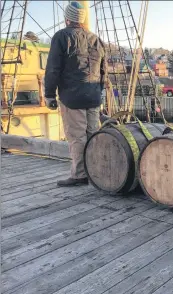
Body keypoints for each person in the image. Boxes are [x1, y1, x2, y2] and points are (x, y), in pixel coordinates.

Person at [44, 1, 106, 187]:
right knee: (93, 134)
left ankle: (80, 175)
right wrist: (97, 91)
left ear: (67, 18)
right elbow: (104, 71)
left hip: (72, 98)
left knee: (77, 137)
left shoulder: (62, 37)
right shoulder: (96, 39)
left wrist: (49, 95)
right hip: (93, 96)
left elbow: (53, 69)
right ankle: (95, 172)